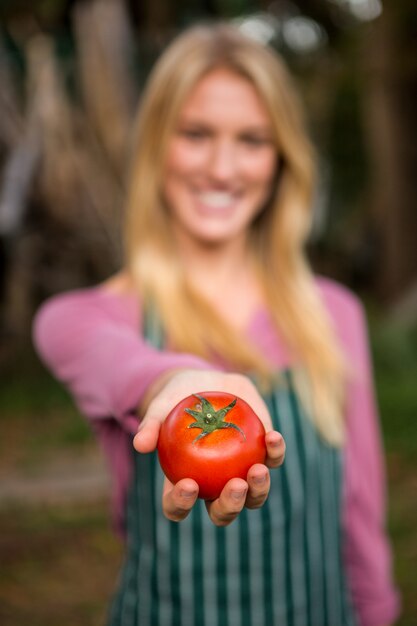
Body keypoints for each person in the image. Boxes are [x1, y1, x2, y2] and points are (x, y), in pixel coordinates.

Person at [33, 22, 400, 626]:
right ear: (156, 146)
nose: (222, 167)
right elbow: (120, 363)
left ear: (282, 160)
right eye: (196, 134)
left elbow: (359, 512)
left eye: (252, 139)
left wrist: (379, 613)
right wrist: (180, 385)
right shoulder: (88, 318)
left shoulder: (334, 313)